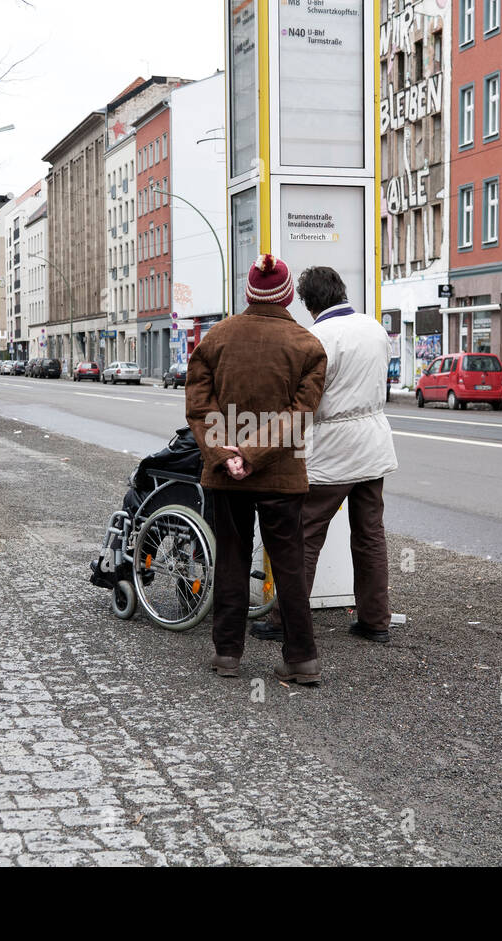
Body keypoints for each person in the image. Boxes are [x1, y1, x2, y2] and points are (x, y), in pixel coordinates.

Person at [185, 254, 327, 685]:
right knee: (289, 565)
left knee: (230, 559)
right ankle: (302, 659)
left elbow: (198, 406)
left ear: (249, 293)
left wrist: (229, 455)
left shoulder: (215, 339)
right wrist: (255, 453)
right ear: (287, 297)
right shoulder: (307, 345)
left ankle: (227, 654)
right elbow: (301, 414)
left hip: (224, 474)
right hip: (282, 474)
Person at [250, 266, 398, 644]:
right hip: (373, 442)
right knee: (370, 535)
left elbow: (305, 399)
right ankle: (375, 620)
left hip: (333, 448)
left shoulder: (315, 337)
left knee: (305, 534)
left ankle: (287, 620)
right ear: (341, 291)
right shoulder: (374, 328)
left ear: (308, 302)